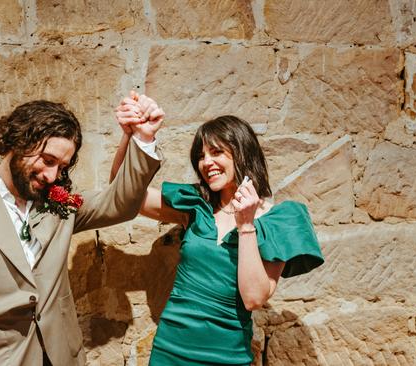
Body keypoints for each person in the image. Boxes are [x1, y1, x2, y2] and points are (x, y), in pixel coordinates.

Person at [0, 99, 164, 365]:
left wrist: (142, 137)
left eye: (62, 167)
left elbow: (120, 204)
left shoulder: (57, 206)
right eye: (48, 161)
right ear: (19, 140)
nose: (52, 175)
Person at [112, 93, 324, 365]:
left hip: (227, 356)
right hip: (170, 350)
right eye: (201, 156)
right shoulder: (195, 205)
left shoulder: (278, 220)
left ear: (242, 152)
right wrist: (132, 136)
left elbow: (254, 298)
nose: (206, 163)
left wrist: (246, 224)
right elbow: (124, 195)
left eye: (216, 152)